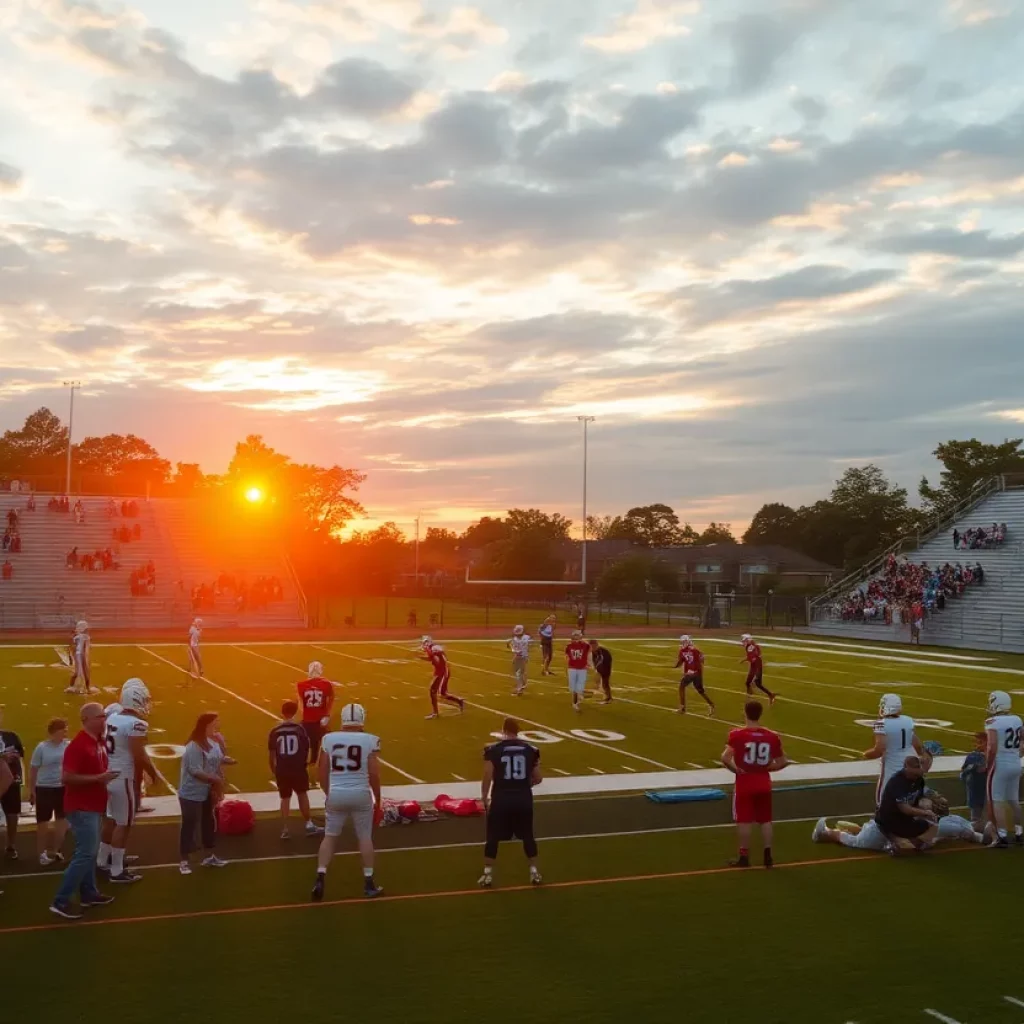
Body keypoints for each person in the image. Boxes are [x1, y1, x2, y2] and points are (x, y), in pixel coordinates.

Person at [50, 703, 118, 919]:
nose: (104, 720)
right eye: (100, 716)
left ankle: (89, 893)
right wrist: (98, 779)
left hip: (93, 806)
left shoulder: (96, 742)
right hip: (81, 808)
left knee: (89, 852)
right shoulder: (78, 745)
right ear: (87, 719)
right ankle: (61, 900)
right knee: (86, 852)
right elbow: (67, 777)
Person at [311, 703, 383, 902]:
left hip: (337, 792)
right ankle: (369, 882)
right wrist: (378, 798)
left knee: (330, 836)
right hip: (360, 793)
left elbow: (321, 770)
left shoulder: (328, 739)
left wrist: (328, 793)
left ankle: (320, 876)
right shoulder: (370, 740)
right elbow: (374, 774)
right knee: (364, 837)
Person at [97, 679, 157, 884]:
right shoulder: (136, 724)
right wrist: (153, 772)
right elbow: (138, 754)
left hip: (109, 775)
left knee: (111, 820)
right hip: (123, 777)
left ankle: (102, 861)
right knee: (124, 824)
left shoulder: (113, 717)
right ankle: (116, 870)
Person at [721, 700, 787, 868]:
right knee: (765, 820)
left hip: (745, 781)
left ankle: (744, 857)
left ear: (745, 713)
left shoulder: (737, 734)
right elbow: (783, 762)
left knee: (744, 820)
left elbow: (725, 758)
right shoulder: (772, 736)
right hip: (763, 781)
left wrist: (736, 770)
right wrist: (766, 767)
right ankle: (768, 856)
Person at [479, 717, 543, 888]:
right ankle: (534, 872)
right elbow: (538, 778)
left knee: (493, 837)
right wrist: (523, 783)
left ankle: (487, 875)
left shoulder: (493, 750)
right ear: (517, 731)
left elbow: (487, 775)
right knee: (528, 836)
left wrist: (484, 797)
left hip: (501, 798)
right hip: (523, 797)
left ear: (503, 730)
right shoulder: (531, 749)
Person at [812, 793, 991, 852]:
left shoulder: (944, 824)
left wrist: (980, 836)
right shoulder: (951, 821)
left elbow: (967, 831)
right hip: (902, 836)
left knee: (857, 841)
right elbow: (969, 829)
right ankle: (858, 830)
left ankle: (825, 833)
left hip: (897, 839)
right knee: (871, 831)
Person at [178, 713, 231, 875]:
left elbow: (219, 758)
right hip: (191, 791)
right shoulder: (194, 746)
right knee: (190, 824)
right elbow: (195, 770)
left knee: (208, 822)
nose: (217, 727)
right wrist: (215, 780)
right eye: (215, 724)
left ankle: (209, 855)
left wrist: (223, 746)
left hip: (207, 790)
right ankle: (184, 860)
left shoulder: (213, 743)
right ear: (207, 725)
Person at [268, 701, 322, 840]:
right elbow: (306, 749)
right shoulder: (300, 729)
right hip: (298, 767)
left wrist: (274, 769)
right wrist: (304, 764)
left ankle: (285, 828)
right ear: (296, 711)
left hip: (282, 768)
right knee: (302, 794)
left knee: (285, 798)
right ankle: (308, 824)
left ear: (282, 712)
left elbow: (272, 754)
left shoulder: (275, 730)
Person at [863, 693, 923, 806]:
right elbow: (918, 746)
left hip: (892, 768)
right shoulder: (907, 721)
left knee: (883, 801)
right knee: (909, 800)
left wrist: (865, 754)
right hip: (910, 766)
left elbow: (879, 749)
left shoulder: (882, 724)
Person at [873, 755, 938, 853]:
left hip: (904, 819)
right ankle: (841, 835)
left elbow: (916, 801)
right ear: (905, 768)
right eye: (914, 773)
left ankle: (913, 842)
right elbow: (905, 809)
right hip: (889, 820)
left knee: (932, 824)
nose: (916, 775)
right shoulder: (897, 781)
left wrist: (927, 804)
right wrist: (925, 812)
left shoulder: (919, 780)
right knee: (903, 847)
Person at [984, 690, 1023, 848]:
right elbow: (1023, 741)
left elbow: (992, 746)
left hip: (1000, 764)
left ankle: (1002, 835)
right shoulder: (1017, 719)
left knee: (997, 800)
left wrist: (988, 763)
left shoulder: (992, 722)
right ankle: (1020, 832)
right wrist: (1016, 755)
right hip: (1015, 762)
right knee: (1014, 800)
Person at [29, 718, 70, 866]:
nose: (65, 732)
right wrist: (32, 790)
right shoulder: (42, 747)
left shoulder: (68, 745)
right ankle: (42, 853)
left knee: (62, 821)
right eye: (62, 729)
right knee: (43, 823)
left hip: (62, 787)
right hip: (44, 788)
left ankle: (56, 850)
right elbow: (33, 769)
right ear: (54, 732)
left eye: (66, 729)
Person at [297, 661, 334, 766]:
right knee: (322, 742)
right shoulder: (326, 684)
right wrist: (327, 714)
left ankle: (306, 761)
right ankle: (318, 762)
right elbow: (331, 698)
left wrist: (304, 715)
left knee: (305, 741)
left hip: (308, 718)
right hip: (320, 719)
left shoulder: (301, 685)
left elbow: (301, 703)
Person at [0, 709, 25, 859]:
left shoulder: (11, 736)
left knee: (12, 814)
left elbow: (20, 755)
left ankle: (11, 845)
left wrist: (12, 757)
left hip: (12, 781)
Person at [421, 640, 464, 720]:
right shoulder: (433, 649)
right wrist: (421, 657)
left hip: (443, 672)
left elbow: (435, 655)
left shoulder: (434, 648)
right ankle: (459, 701)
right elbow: (432, 658)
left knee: (433, 691)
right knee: (442, 693)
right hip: (440, 672)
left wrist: (427, 650)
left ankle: (435, 713)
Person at [674, 635, 715, 716]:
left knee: (681, 687)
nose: (683, 643)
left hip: (693, 673)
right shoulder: (688, 650)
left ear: (687, 641)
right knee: (700, 691)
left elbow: (701, 658)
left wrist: (679, 665)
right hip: (697, 673)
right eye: (683, 642)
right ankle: (711, 704)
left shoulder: (692, 650)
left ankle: (682, 708)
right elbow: (682, 661)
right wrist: (677, 665)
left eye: (684, 641)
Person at [959, 731, 989, 832]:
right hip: (975, 792)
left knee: (988, 820)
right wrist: (973, 768)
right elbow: (962, 774)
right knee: (976, 818)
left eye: (981, 742)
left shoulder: (994, 756)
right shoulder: (973, 756)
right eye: (976, 742)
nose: (977, 745)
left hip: (990, 793)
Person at [739, 634, 776, 704]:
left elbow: (755, 658)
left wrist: (755, 676)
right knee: (748, 683)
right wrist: (744, 660)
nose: (744, 642)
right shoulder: (750, 646)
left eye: (745, 641)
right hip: (754, 665)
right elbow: (751, 656)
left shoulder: (752, 647)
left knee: (757, 683)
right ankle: (750, 695)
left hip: (757, 665)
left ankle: (770, 695)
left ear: (748, 640)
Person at [65, 620, 94, 695]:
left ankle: (72, 686)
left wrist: (71, 657)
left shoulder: (77, 637)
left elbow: (72, 647)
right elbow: (85, 648)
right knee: (84, 672)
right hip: (82, 655)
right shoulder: (85, 637)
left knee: (78, 672)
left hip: (78, 655)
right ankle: (86, 688)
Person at [564, 630, 590, 714]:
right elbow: (567, 656)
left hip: (582, 668)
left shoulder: (585, 645)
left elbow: (589, 652)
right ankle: (575, 703)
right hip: (572, 667)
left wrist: (588, 663)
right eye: (576, 636)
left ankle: (578, 698)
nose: (577, 638)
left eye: (578, 636)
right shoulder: (569, 646)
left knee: (580, 686)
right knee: (574, 687)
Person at [507, 625, 531, 696]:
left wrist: (509, 645)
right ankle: (523, 685)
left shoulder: (515, 640)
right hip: (525, 656)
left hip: (519, 657)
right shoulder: (526, 637)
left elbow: (515, 651)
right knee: (523, 672)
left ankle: (519, 689)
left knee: (518, 673)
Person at [590, 638, 613, 704]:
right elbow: (594, 660)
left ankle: (609, 698)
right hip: (601, 667)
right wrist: (596, 669)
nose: (592, 647)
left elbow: (601, 660)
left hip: (606, 666)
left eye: (593, 646)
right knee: (604, 684)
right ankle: (608, 697)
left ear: (596, 645)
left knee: (605, 683)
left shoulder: (601, 651)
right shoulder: (594, 651)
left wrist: (597, 670)